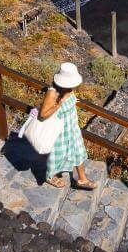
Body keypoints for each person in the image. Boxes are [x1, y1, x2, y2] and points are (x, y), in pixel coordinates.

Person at [40, 62, 97, 190]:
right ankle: (50, 176)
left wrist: (72, 100)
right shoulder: (52, 93)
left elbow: (69, 98)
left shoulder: (68, 89)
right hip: (59, 131)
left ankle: (82, 179)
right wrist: (60, 103)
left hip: (72, 128)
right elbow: (43, 115)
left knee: (79, 151)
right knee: (57, 155)